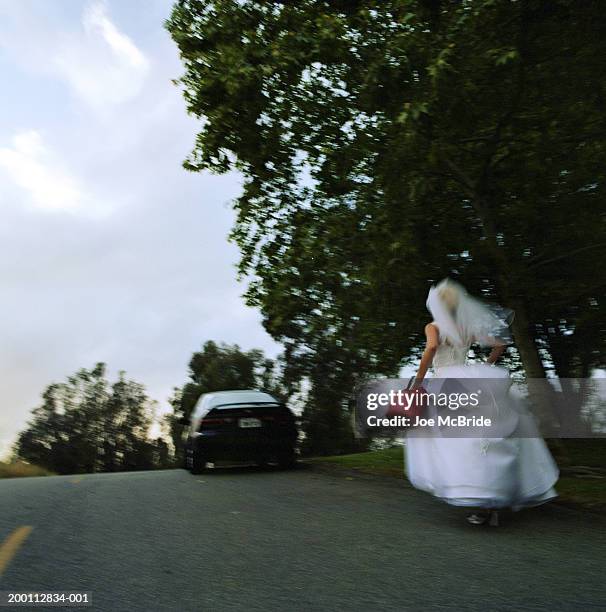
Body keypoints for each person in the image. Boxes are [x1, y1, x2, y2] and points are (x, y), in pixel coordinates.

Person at [405, 278, 559, 526]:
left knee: (455, 443)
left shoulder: (432, 327)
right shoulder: (466, 326)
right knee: (484, 436)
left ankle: (478, 496)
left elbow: (432, 347)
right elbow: (500, 343)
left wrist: (417, 382)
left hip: (446, 382)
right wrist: (486, 367)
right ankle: (493, 499)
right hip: (470, 379)